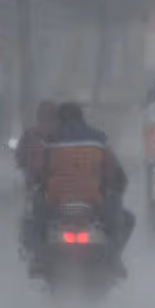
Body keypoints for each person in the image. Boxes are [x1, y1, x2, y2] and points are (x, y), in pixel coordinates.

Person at [40, 102, 135, 275]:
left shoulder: (50, 142)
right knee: (127, 219)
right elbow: (118, 177)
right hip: (91, 202)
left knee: (37, 223)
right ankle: (114, 259)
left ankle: (38, 262)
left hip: (57, 204)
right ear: (82, 118)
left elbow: (40, 176)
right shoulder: (98, 140)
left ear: (59, 120)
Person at [15, 101, 57, 257]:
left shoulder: (30, 134)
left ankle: (32, 246)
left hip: (36, 186)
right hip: (58, 188)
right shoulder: (61, 134)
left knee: (31, 216)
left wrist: (28, 171)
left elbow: (19, 158)